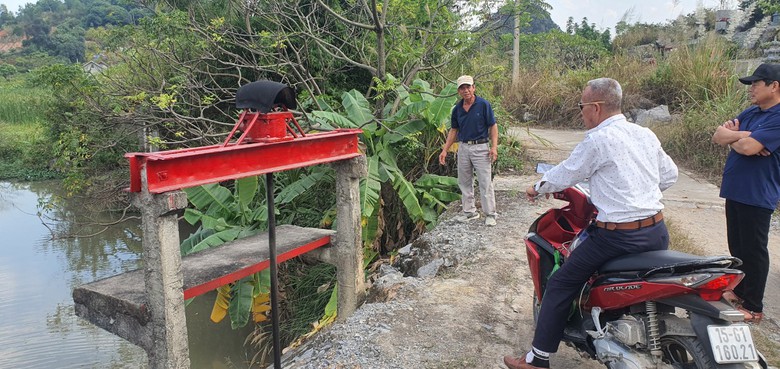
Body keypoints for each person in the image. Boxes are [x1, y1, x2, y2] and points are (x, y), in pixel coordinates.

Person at [503, 78, 678, 369]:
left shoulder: (598, 139)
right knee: (658, 284)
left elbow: (566, 173)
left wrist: (537, 187)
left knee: (560, 284)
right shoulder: (645, 134)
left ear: (595, 108)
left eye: (582, 106)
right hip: (657, 231)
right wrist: (638, 196)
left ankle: (537, 358)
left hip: (616, 238)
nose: (581, 112)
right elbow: (669, 176)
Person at [711, 63, 780, 324]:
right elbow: (719, 135)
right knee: (737, 247)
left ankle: (753, 306)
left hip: (757, 193)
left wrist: (739, 139)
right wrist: (743, 136)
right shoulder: (752, 113)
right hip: (736, 190)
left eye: (756, 83)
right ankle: (738, 292)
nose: (751, 89)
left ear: (774, 86)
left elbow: (750, 148)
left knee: (754, 250)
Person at [439, 75, 499, 226]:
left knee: (485, 182)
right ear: (458, 91)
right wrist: (445, 150)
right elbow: (454, 130)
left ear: (474, 87)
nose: (465, 90)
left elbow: (493, 126)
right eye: (462, 88)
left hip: (481, 147)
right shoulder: (457, 109)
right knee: (464, 181)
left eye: (468, 87)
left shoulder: (483, 105)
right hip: (463, 147)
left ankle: (490, 214)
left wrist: (493, 147)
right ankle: (469, 212)